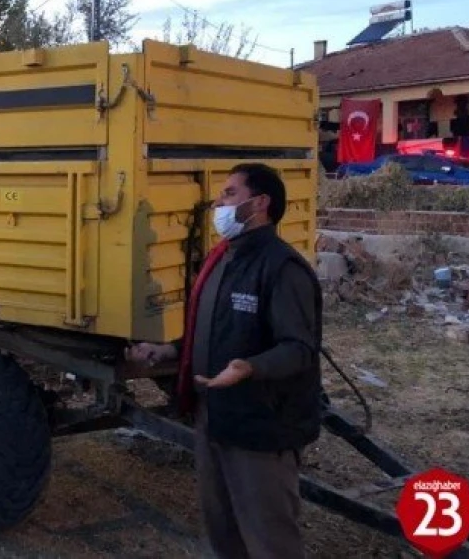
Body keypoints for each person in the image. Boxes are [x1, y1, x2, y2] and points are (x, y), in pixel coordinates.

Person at [126, 163, 322, 559]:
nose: (219, 203)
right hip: (215, 421)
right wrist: (169, 351)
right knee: (223, 531)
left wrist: (250, 367)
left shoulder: (282, 269)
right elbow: (210, 329)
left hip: (261, 431)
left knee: (269, 539)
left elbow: (299, 349)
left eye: (230, 194)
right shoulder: (222, 261)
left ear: (260, 203)